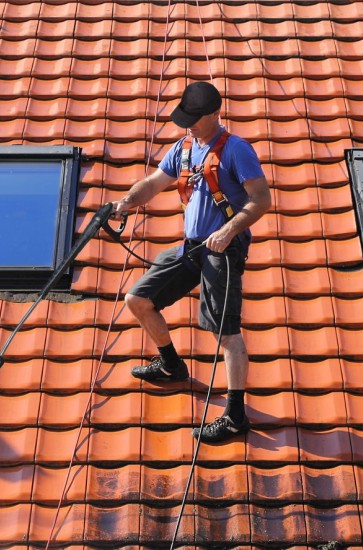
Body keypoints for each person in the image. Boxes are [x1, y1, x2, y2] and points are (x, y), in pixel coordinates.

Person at [113, 81, 271, 444]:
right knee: (138, 299)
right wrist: (126, 202)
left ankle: (234, 415)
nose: (189, 125)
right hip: (192, 246)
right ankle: (170, 363)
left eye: (195, 119)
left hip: (223, 251)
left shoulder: (236, 150)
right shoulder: (184, 148)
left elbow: (261, 200)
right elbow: (153, 183)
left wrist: (229, 231)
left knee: (224, 332)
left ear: (215, 113)